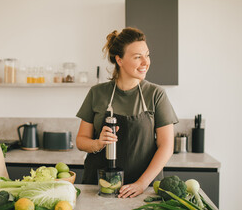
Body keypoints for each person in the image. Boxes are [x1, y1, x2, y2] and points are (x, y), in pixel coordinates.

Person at [76, 27, 178, 198]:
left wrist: (142, 184)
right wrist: (98, 144)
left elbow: (166, 146)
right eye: (138, 57)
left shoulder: (155, 94)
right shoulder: (97, 93)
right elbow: (80, 141)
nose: (146, 62)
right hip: (100, 189)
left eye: (147, 55)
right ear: (120, 60)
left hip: (143, 191)